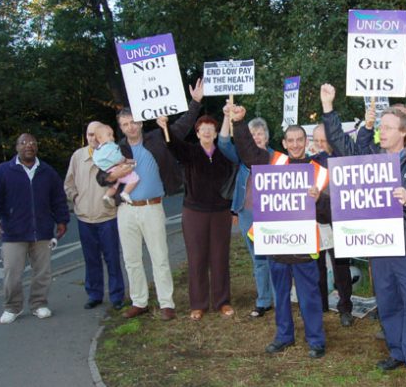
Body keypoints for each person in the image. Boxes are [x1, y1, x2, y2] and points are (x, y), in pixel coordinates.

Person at [321, 84, 406, 387]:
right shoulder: (370, 156)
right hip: (379, 245)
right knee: (388, 304)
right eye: (380, 127)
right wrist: (329, 108)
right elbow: (339, 143)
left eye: (387, 128)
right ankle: (397, 352)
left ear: (404, 132)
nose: (381, 132)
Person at [230, 103, 330, 359]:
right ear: (284, 143)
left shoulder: (318, 171)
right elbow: (249, 153)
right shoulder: (274, 161)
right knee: (281, 296)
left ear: (306, 142)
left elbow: (328, 213)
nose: (295, 144)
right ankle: (284, 336)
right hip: (277, 243)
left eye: (300, 140)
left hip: (305, 247)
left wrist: (318, 198)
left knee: (309, 297)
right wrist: (240, 123)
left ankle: (316, 340)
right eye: (291, 140)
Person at [98, 79, 202, 321]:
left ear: (141, 121)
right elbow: (100, 175)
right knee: (132, 259)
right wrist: (112, 175)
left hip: (152, 207)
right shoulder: (117, 149)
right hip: (126, 209)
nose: (130, 127)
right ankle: (139, 301)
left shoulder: (158, 138)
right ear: (120, 128)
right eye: (124, 124)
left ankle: (167, 303)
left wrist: (195, 102)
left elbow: (184, 125)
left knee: (159, 256)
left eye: (133, 122)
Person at [0, 133, 70, 323]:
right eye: (23, 143)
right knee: (12, 274)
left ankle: (39, 304)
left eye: (32, 143)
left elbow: (58, 199)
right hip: (13, 233)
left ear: (37, 147)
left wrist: (62, 220)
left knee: (42, 272)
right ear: (16, 147)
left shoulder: (47, 172)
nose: (28, 146)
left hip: (43, 232)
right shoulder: (3, 171)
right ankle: (12, 307)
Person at [157, 112, 234, 321]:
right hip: (194, 213)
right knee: (197, 257)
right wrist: (165, 127)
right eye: (203, 129)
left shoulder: (225, 154)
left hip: (220, 212)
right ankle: (198, 304)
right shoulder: (190, 152)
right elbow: (173, 145)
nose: (207, 131)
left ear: (216, 133)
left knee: (219, 257)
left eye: (211, 128)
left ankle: (222, 301)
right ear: (198, 133)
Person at [218, 116, 275, 318]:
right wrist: (226, 115)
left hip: (271, 216)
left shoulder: (275, 158)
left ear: (266, 137)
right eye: (252, 134)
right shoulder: (241, 157)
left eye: (260, 133)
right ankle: (263, 300)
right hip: (247, 214)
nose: (257, 137)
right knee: (258, 259)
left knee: (274, 258)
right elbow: (223, 142)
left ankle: (278, 297)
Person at [64, 121, 126, 310]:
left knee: (112, 258)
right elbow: (69, 183)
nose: (93, 138)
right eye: (89, 134)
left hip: (107, 216)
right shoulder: (78, 156)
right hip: (85, 217)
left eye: (96, 135)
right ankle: (94, 294)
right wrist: (76, 199)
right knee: (91, 259)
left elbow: (124, 180)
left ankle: (117, 296)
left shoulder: (113, 155)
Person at [310, 123, 354, 327]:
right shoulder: (311, 162)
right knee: (318, 264)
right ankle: (321, 304)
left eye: (323, 140)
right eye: (316, 140)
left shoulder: (343, 158)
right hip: (318, 219)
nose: (320, 144)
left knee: (341, 266)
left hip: (339, 218)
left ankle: (345, 307)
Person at [92, 124, 139, 205]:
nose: (112, 137)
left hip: (108, 169)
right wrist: (126, 160)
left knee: (114, 187)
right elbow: (117, 158)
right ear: (100, 138)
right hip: (115, 168)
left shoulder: (98, 150)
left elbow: (97, 162)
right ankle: (125, 193)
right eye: (109, 135)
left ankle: (106, 196)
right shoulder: (109, 147)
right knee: (134, 177)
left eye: (112, 135)